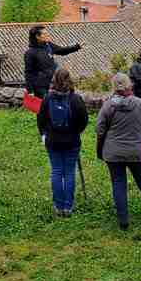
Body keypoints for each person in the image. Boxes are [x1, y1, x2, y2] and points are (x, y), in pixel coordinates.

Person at [96, 73, 141, 230]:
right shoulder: (139, 104)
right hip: (136, 150)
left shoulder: (108, 105)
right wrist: (139, 138)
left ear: (114, 87)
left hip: (113, 153)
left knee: (118, 183)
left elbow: (99, 129)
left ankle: (123, 221)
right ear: (129, 85)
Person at [36, 68, 90, 216]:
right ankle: (68, 206)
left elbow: (41, 119)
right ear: (69, 80)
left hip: (53, 141)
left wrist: (44, 135)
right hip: (72, 141)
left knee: (56, 171)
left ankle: (58, 206)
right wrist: (76, 131)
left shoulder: (48, 98)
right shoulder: (75, 99)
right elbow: (84, 120)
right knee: (69, 173)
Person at [24, 25, 82, 100]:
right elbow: (28, 73)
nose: (47, 35)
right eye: (44, 34)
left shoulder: (48, 46)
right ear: (37, 37)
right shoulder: (30, 53)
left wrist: (77, 47)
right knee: (45, 108)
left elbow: (62, 51)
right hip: (40, 87)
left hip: (52, 84)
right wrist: (30, 91)